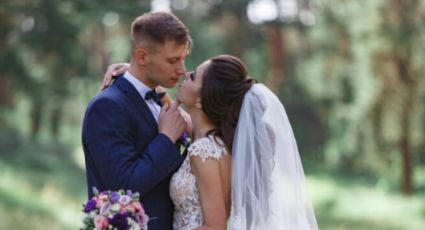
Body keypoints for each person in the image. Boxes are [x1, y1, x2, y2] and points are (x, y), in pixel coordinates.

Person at [104, 55, 318, 229]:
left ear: (201, 99)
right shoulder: (214, 140)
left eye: (193, 76)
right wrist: (137, 74)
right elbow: (176, 112)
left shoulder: (202, 152)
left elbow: (214, 227)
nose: (185, 73)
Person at [82, 12, 192, 230]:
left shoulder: (161, 101)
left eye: (183, 59)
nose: (181, 70)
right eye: (173, 60)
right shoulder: (106, 107)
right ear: (142, 57)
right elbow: (123, 187)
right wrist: (166, 139)